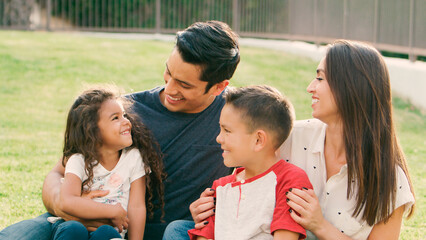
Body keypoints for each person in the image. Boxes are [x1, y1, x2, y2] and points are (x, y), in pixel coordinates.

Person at [0, 20, 240, 240]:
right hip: (79, 223)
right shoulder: (124, 113)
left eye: (184, 84)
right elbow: (57, 174)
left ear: (219, 87)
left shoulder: (237, 118)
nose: (169, 88)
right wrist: (64, 204)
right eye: (168, 72)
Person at [187, 40, 415, 240]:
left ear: (350, 88)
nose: (310, 87)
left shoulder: (391, 181)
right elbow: (242, 188)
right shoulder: (290, 137)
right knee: (179, 230)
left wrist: (320, 226)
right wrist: (214, 209)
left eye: (320, 78)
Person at [187, 85, 313, 240]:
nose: (218, 138)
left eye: (227, 131)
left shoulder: (290, 180)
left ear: (258, 140)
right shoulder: (219, 187)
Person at [48, 87, 165, 240]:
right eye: (115, 118)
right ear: (92, 130)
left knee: (107, 233)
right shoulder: (78, 160)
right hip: (75, 228)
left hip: (110, 232)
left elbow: (136, 207)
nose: (126, 122)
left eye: (124, 115)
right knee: (73, 229)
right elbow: (67, 201)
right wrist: (112, 211)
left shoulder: (134, 158)